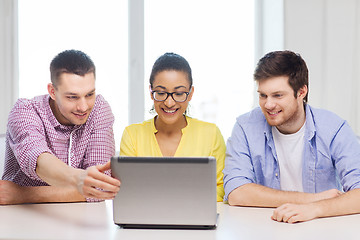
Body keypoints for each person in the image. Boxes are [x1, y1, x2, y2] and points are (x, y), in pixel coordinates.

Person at [223, 50, 360, 223]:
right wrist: (312, 199)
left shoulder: (334, 129)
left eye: (278, 95)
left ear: (301, 92)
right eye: (263, 95)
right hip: (266, 227)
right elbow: (237, 193)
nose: (268, 104)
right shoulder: (245, 127)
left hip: (321, 227)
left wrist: (315, 209)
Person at [0, 49, 120, 204]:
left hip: (76, 216)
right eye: (72, 97)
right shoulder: (25, 111)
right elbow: (39, 160)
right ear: (52, 91)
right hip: (19, 215)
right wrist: (79, 180)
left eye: (89, 94)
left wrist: (23, 195)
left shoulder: (99, 109)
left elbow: (99, 188)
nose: (83, 107)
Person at [120, 52, 226, 201]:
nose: (169, 103)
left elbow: (220, 189)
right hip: (146, 219)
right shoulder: (132, 135)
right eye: (161, 93)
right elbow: (127, 189)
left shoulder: (211, 134)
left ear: (190, 94)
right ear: (151, 92)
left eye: (179, 93)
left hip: (195, 218)